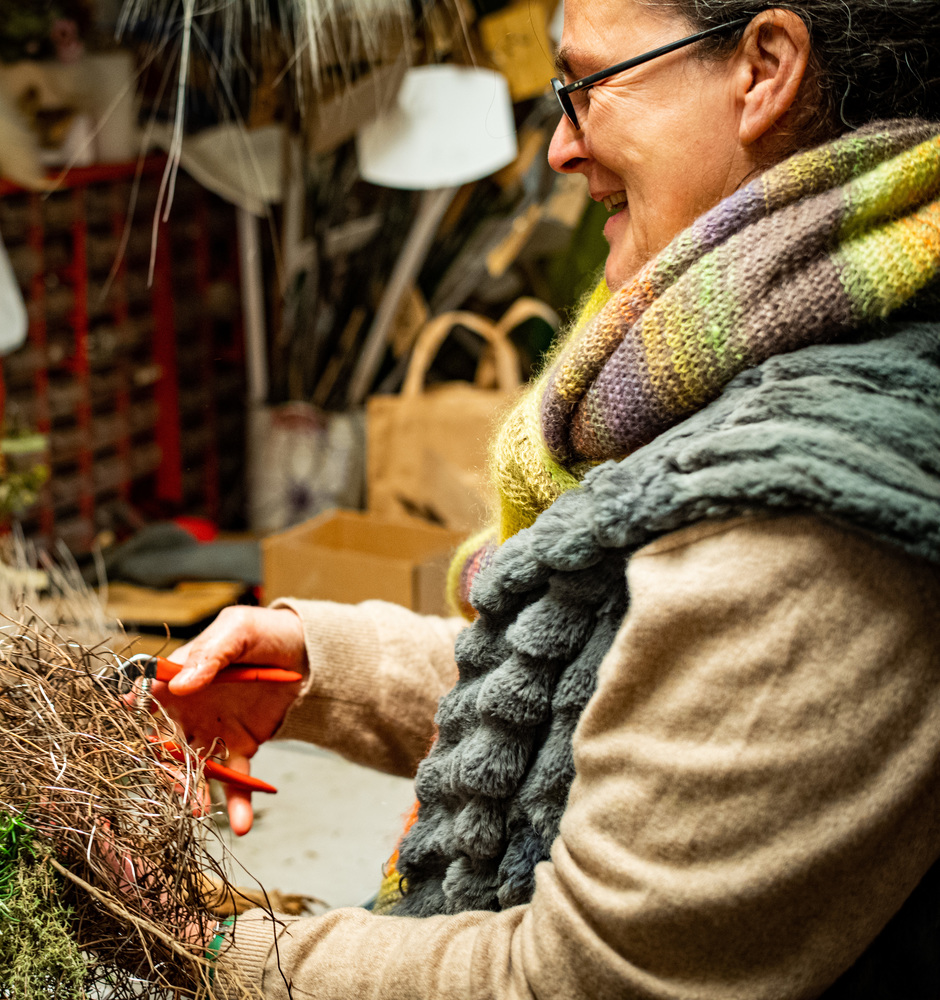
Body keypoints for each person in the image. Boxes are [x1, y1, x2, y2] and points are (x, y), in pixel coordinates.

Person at [155, 0, 940, 995]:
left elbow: (570, 980)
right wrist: (317, 666)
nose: (562, 147)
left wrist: (198, 941)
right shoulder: (772, 374)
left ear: (764, 68)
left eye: (586, 85)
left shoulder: (796, 514)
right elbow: (612, 685)